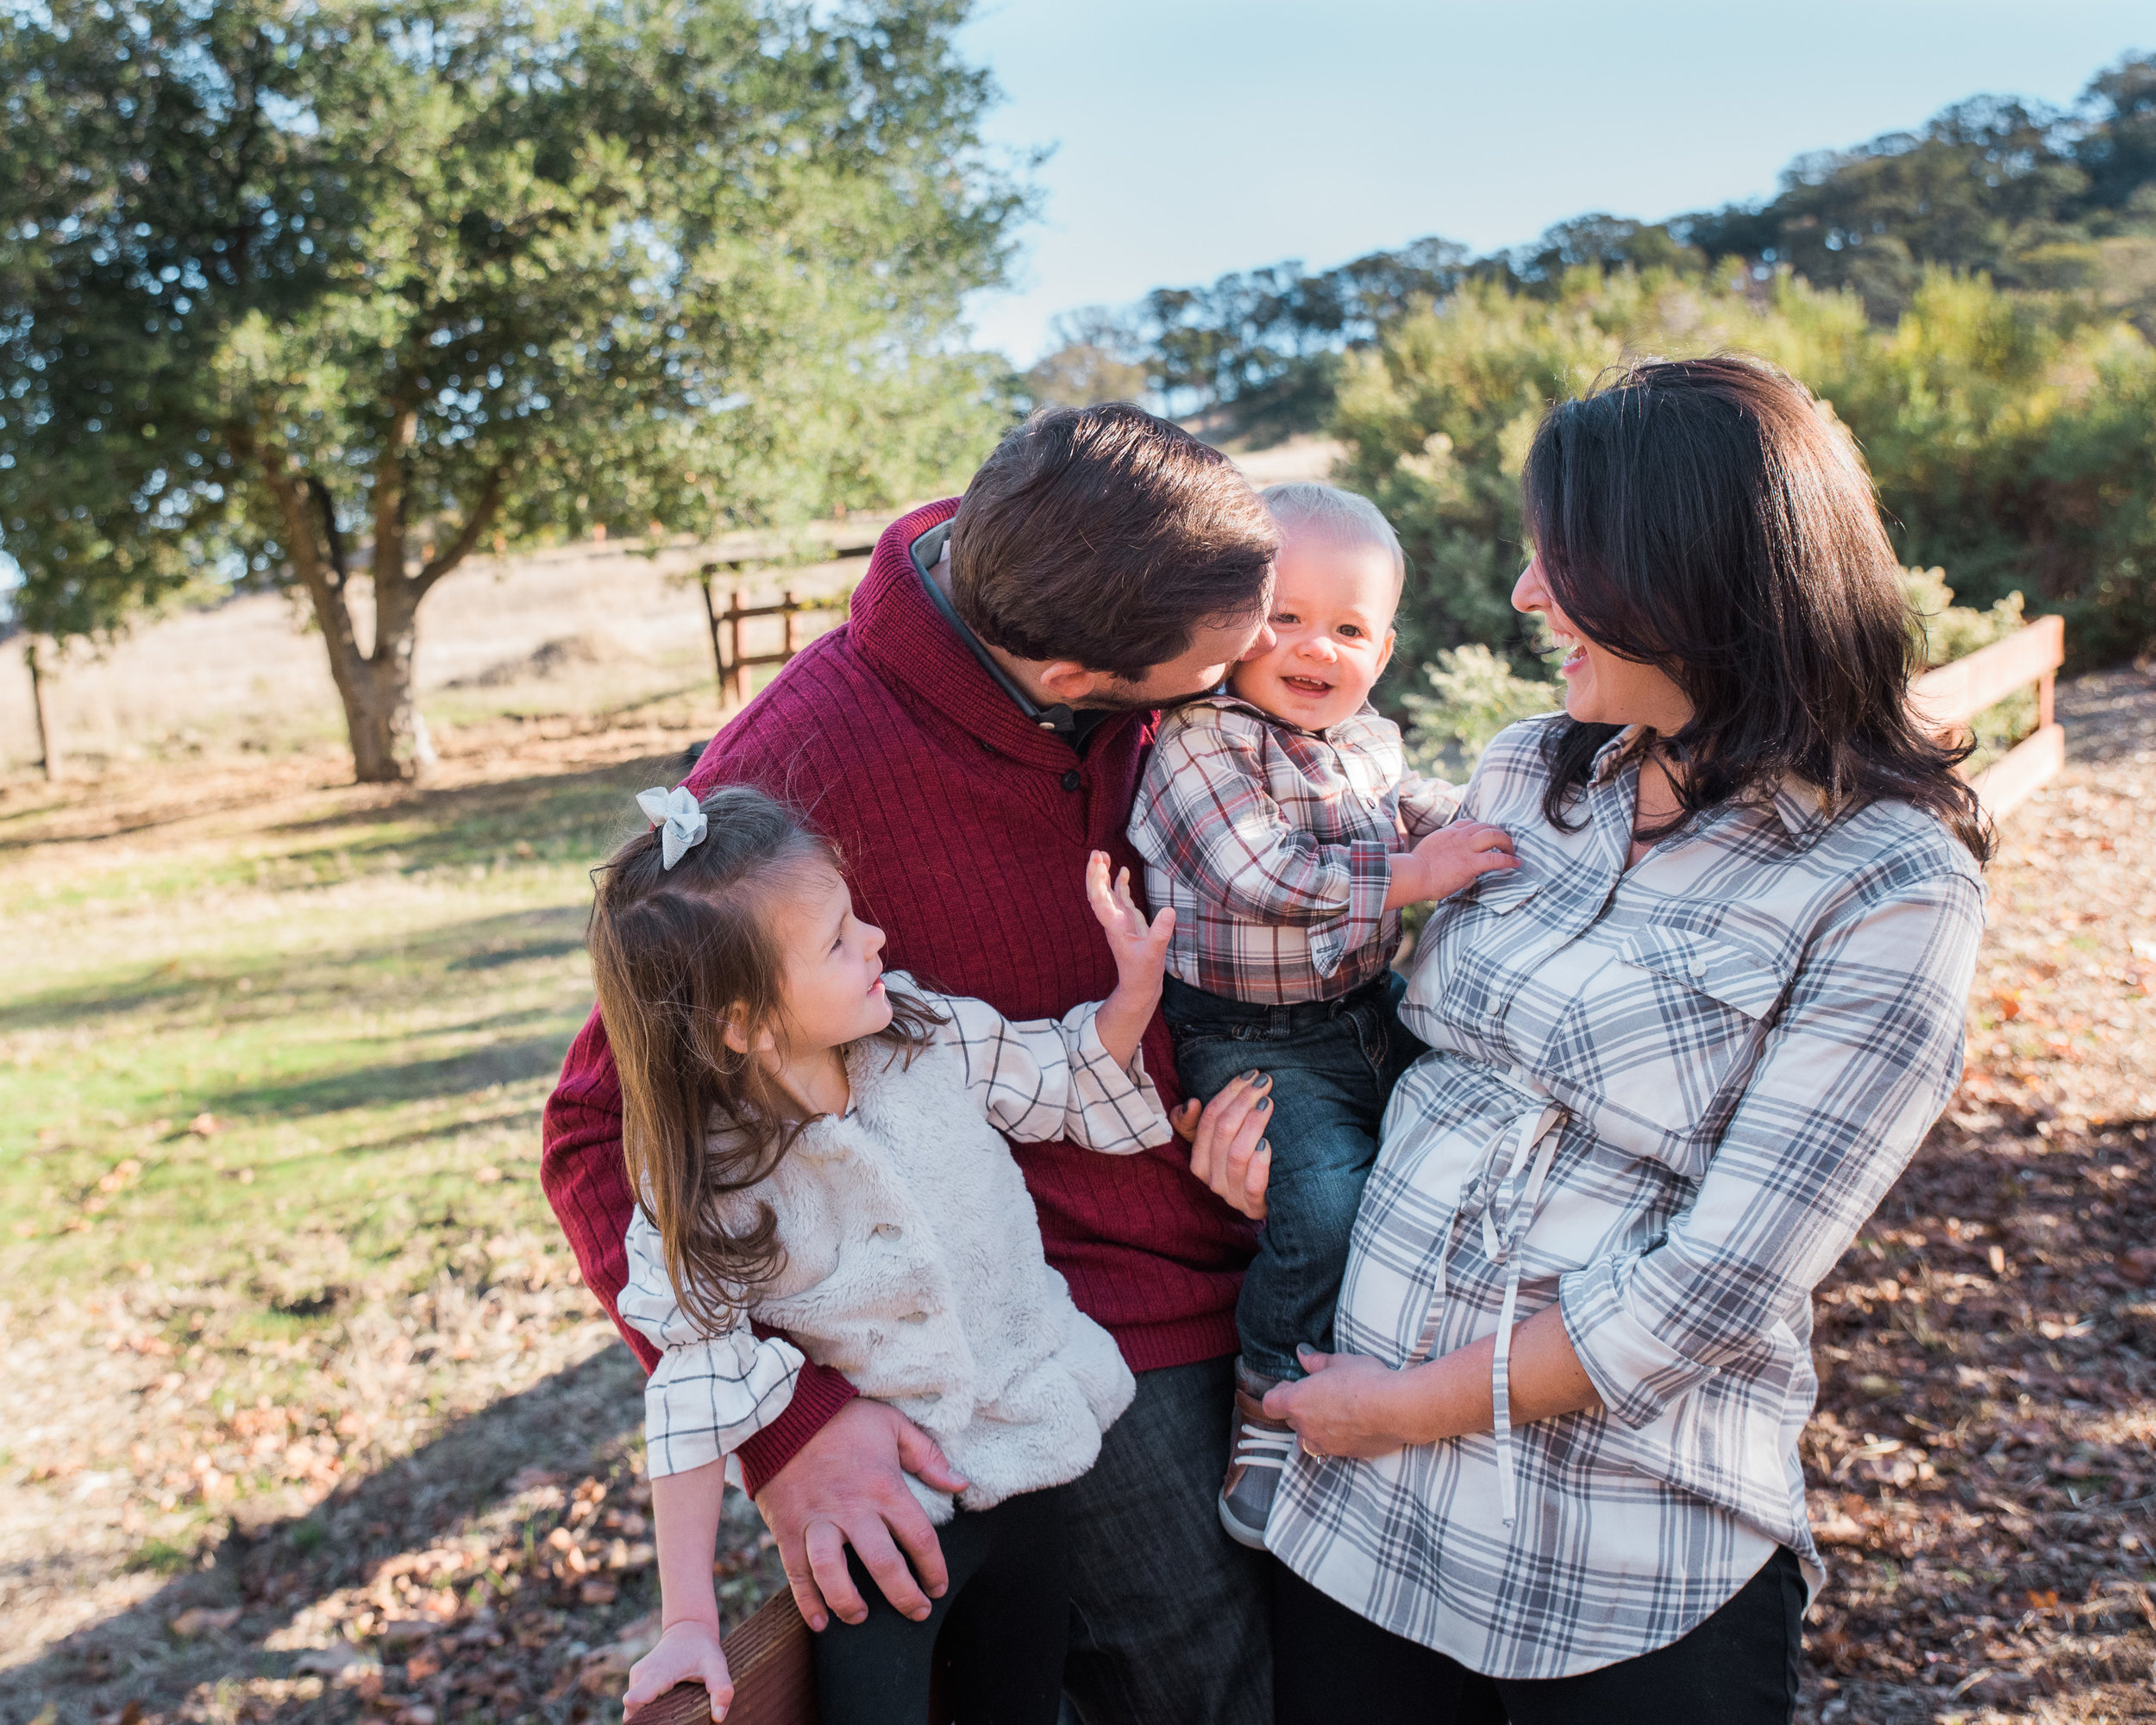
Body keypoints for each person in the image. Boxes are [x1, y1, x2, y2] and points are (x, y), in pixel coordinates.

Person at [1184, 355, 1990, 1722]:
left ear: (1689, 578)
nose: (1523, 597)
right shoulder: (1523, 773)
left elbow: (1724, 1281)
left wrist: (1405, 1405)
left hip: (1616, 1543)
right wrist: (1266, 1136)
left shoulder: (1889, 882)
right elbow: (1408, 1046)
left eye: (1561, 563)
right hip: (1358, 1514)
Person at [544, 403, 1282, 1724]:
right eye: (1208, 676)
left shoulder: (1103, 615)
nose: (1242, 685)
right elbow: (596, 1137)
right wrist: (788, 1432)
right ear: (1075, 682)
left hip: (1269, 1251)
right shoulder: (792, 769)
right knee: (1212, 1694)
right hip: (1067, 1326)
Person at [597, 781, 1177, 1724]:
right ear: (740, 1022)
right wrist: (686, 1619)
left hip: (1033, 1454)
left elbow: (1059, 1077)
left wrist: (1131, 996)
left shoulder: (923, 1035)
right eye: (835, 938)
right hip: (884, 1516)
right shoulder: (708, 1182)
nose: (874, 938)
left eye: (855, 915)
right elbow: (694, 1394)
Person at [1126, 481, 1518, 1547]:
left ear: (1382, 651)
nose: (1314, 648)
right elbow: (1258, 870)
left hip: (1364, 1005)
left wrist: (1495, 835)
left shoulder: (1366, 738)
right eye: (1284, 617)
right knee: (1322, 1202)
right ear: (1232, 624)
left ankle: (1425, 1369)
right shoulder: (1198, 744)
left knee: (1459, 1144)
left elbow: (1429, 806)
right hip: (1247, 1037)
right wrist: (1414, 873)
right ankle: (1266, 1398)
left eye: (1347, 628)